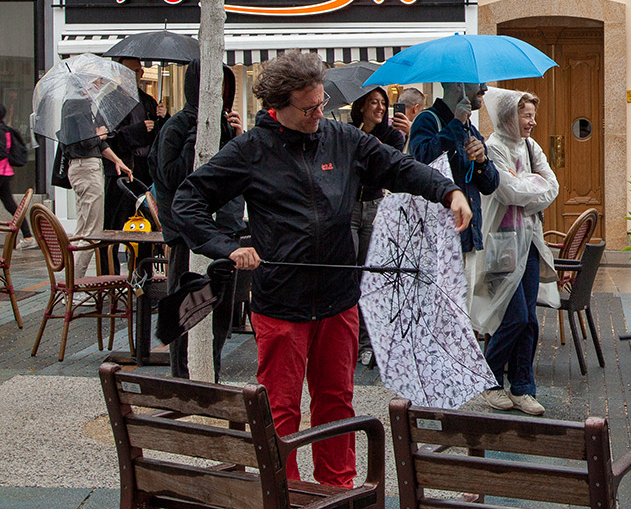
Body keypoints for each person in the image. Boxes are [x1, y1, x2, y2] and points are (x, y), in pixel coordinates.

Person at [173, 50, 472, 489]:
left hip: (337, 298)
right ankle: (286, 494)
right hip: (281, 304)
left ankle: (338, 491)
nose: (318, 113)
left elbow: (399, 166)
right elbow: (187, 201)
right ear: (278, 107)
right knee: (281, 409)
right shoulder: (250, 150)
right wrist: (226, 247)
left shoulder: (341, 138)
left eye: (321, 104)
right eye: (308, 108)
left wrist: (448, 192)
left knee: (337, 403)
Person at [149, 60, 243, 379]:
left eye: (224, 87)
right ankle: (182, 377)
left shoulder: (225, 126)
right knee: (187, 310)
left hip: (224, 235)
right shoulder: (175, 127)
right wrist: (196, 139)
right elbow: (171, 177)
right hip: (188, 237)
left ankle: (209, 373)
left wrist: (236, 138)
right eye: (214, 85)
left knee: (219, 314)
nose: (220, 93)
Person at [471, 88, 558, 416]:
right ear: (509, 116)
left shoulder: (531, 148)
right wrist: (530, 184)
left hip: (531, 244)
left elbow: (552, 187)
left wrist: (528, 185)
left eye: (533, 115)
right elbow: (507, 192)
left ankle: (523, 388)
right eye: (527, 115)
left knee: (530, 321)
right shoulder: (493, 149)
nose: (533, 122)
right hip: (502, 244)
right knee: (514, 317)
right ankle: (485, 377)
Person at [409, 83, 499, 280]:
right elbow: (422, 165)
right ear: (460, 85)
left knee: (464, 310)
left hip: (468, 239)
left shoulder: (471, 130)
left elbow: (490, 185)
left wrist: (482, 160)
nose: (484, 89)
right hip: (437, 242)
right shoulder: (427, 121)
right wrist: (455, 124)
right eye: (478, 83)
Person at [347, 86, 405, 368]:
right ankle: (350, 341)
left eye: (384, 103)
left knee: (370, 277)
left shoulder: (392, 136)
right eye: (374, 102)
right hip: (348, 210)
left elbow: (386, 167)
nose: (380, 108)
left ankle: (369, 344)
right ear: (361, 106)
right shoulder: (349, 132)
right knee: (350, 275)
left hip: (373, 207)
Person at [59, 99, 131, 276]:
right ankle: (74, 282)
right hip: (87, 169)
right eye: (97, 79)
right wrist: (100, 133)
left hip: (81, 168)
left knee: (84, 229)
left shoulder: (73, 104)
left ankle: (72, 280)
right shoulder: (79, 104)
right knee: (92, 232)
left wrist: (117, 160)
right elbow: (88, 142)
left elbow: (97, 144)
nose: (99, 82)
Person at [106, 57, 163, 230]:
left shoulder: (148, 101)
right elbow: (109, 138)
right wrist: (138, 130)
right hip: (122, 170)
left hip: (145, 170)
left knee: (147, 219)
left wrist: (162, 117)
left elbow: (160, 136)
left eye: (137, 71)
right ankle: (110, 256)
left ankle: (143, 256)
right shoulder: (112, 101)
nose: (133, 75)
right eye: (128, 71)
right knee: (116, 221)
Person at [0, 105, 32, 246]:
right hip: (4, 172)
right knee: (10, 205)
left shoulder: (1, 131)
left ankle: (26, 235)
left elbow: (2, 152)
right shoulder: (5, 129)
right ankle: (27, 235)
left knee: (10, 205)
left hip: (1, 172)